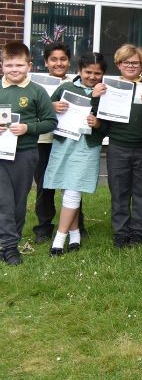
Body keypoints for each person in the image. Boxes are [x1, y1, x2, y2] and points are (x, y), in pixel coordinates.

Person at [0, 42, 57, 265]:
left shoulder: (36, 92)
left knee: (17, 202)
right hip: (0, 155)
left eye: (20, 65)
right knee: (3, 200)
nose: (15, 69)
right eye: (10, 64)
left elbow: (50, 121)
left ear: (29, 66)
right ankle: (9, 246)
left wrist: (28, 128)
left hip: (25, 153)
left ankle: (9, 243)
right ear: (2, 65)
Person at [46, 52, 107, 256]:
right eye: (88, 72)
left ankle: (59, 239)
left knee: (74, 190)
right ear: (79, 71)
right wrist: (53, 106)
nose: (92, 76)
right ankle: (75, 236)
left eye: (97, 73)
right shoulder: (65, 88)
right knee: (66, 188)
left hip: (86, 146)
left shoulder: (106, 92)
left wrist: (98, 123)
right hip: (64, 143)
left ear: (103, 74)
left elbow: (109, 125)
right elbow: (46, 112)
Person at [97, 45, 142, 248]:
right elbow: (100, 118)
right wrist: (95, 97)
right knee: (120, 190)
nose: (131, 66)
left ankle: (139, 230)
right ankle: (121, 231)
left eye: (136, 63)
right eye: (126, 62)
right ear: (118, 65)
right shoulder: (109, 87)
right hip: (117, 146)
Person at [32, 42, 72, 243]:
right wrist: (50, 106)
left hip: (67, 140)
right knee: (44, 184)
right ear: (46, 62)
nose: (59, 63)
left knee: (71, 184)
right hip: (44, 140)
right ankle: (43, 227)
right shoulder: (36, 85)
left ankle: (76, 224)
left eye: (63, 59)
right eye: (54, 59)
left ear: (69, 61)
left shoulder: (75, 83)